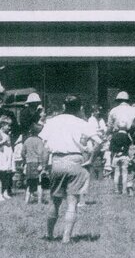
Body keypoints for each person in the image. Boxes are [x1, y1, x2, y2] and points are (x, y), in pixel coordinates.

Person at [39, 95, 95, 243]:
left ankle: (50, 235)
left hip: (57, 161)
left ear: (63, 107)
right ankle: (66, 237)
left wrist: (44, 167)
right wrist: (91, 158)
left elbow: (45, 147)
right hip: (75, 161)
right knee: (72, 202)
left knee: (55, 201)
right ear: (79, 108)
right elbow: (99, 141)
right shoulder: (82, 123)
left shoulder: (52, 122)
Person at [21, 123, 47, 204]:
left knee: (29, 183)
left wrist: (25, 159)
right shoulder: (39, 141)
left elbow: (22, 152)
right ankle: (39, 201)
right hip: (37, 163)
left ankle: (26, 201)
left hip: (29, 163)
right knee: (39, 183)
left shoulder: (27, 140)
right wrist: (41, 165)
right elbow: (41, 153)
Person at [0, 115, 15, 200]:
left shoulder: (8, 134)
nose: (9, 127)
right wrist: (3, 141)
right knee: (1, 175)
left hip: (8, 154)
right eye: (8, 125)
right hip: (1, 155)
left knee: (7, 175)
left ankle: (5, 192)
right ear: (2, 125)